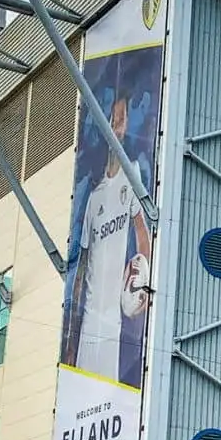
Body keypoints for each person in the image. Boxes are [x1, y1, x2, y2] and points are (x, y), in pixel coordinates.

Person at [64, 93, 152, 385]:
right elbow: (80, 272)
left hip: (113, 327)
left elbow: (142, 231)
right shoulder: (93, 198)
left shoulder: (132, 175)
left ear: (126, 125)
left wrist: (145, 287)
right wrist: (71, 335)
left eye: (121, 119)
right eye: (112, 120)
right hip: (88, 326)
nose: (117, 126)